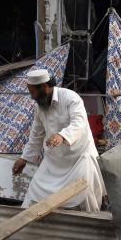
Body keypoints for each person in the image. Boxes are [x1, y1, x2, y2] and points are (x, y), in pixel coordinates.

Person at [12, 69, 106, 211]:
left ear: (44, 87)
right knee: (35, 192)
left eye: (33, 92)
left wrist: (62, 136)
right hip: (54, 161)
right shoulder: (39, 108)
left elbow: (79, 122)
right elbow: (36, 135)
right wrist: (24, 159)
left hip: (79, 159)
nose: (32, 97)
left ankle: (91, 226)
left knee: (83, 196)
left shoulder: (70, 98)